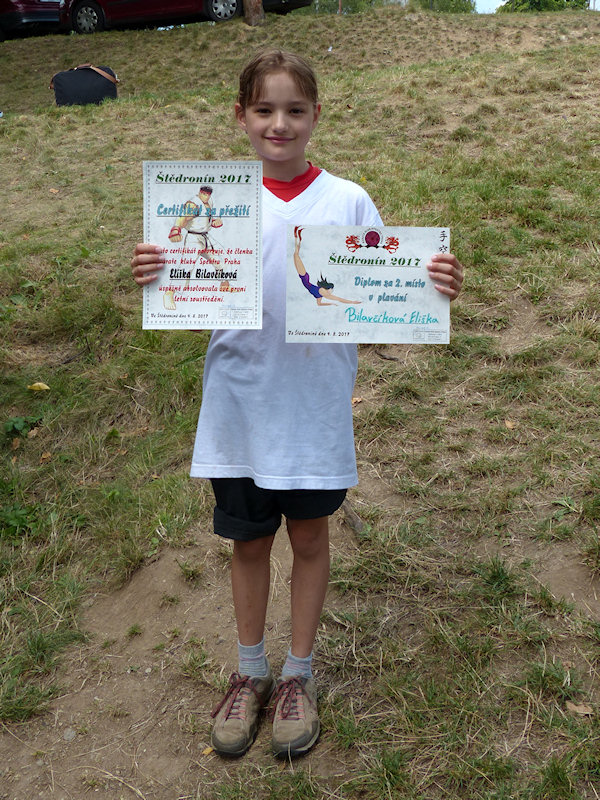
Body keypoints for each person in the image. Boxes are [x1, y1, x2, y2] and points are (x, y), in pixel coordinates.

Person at [131, 49, 464, 760]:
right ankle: (250, 672)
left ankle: (298, 676)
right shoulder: (212, 204)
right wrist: (158, 272)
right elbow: (189, 292)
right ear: (240, 116)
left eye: (294, 110)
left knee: (310, 539)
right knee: (248, 542)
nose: (278, 124)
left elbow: (379, 290)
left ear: (316, 115)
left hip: (313, 410)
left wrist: (429, 283)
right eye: (264, 110)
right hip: (239, 407)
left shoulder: (348, 201)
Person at [292, 226, 361, 306]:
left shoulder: (320, 295)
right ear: (328, 288)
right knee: (296, 255)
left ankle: (298, 238)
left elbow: (319, 304)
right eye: (332, 290)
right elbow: (339, 299)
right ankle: (296, 237)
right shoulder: (323, 291)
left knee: (295, 254)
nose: (331, 292)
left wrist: (331, 304)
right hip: (304, 277)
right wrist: (352, 302)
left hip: (303, 278)